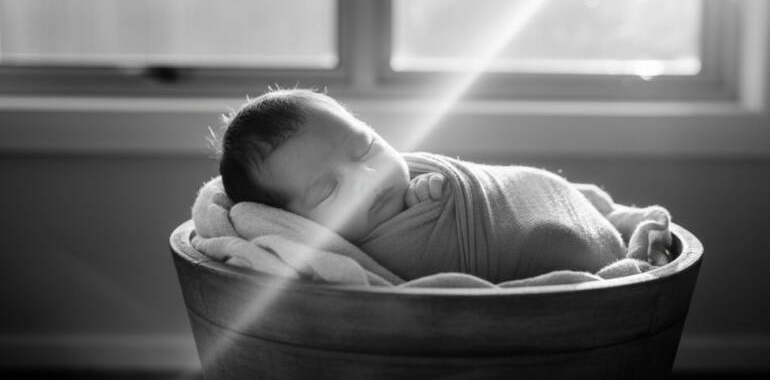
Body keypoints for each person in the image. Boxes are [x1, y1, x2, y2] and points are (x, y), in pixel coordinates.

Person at [217, 89, 640, 283]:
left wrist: (426, 198)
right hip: (559, 256)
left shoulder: (413, 180)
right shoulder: (357, 262)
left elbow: (498, 188)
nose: (368, 180)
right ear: (295, 222)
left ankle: (602, 220)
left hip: (540, 201)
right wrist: (426, 216)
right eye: (327, 191)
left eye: (365, 148)